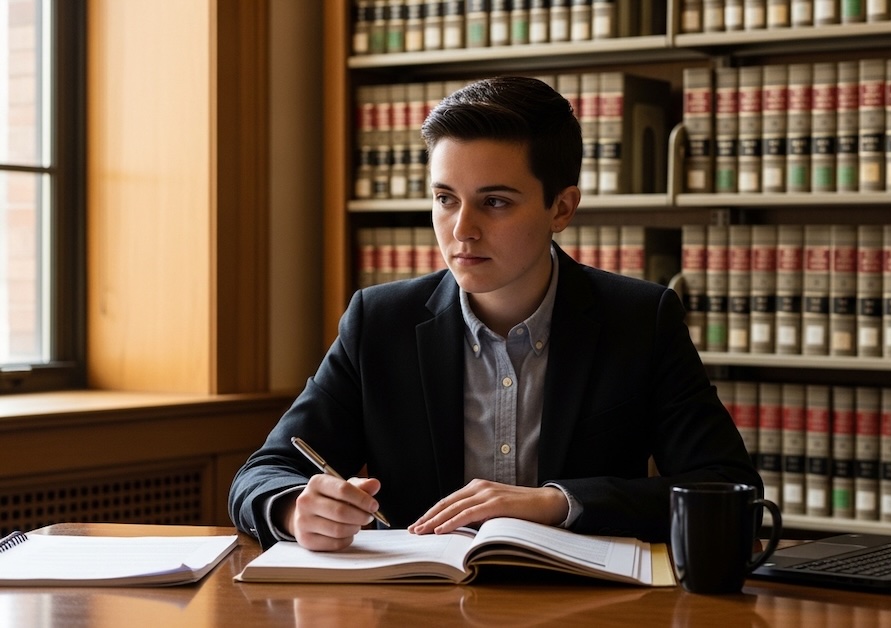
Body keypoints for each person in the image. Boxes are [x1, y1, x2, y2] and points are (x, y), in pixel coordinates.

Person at [228, 76, 761, 551]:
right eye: (445, 199)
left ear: (562, 208)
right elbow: (263, 473)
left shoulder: (640, 320)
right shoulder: (379, 321)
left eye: (495, 201)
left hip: (586, 611)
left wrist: (557, 502)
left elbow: (730, 490)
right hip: (418, 608)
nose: (462, 230)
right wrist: (295, 507)